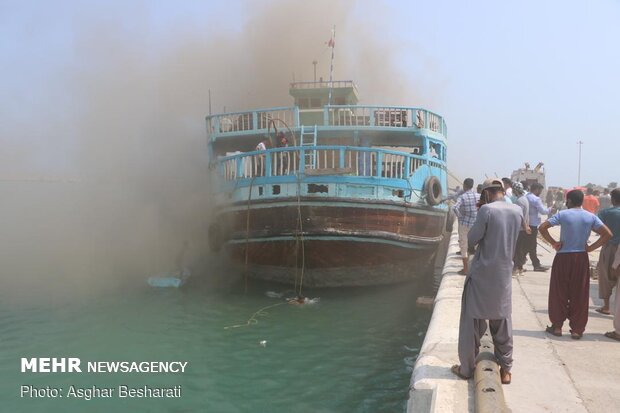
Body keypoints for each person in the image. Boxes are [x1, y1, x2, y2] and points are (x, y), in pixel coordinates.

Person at [451, 179, 523, 384]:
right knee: (502, 321)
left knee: (471, 320)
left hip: (483, 274)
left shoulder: (487, 210)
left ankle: (466, 368)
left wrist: (482, 212)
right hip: (503, 274)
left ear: (487, 194)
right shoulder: (517, 210)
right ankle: (506, 370)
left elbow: (473, 238)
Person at [539, 190, 612, 339]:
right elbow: (607, 234)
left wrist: (554, 243)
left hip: (563, 256)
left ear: (569, 201)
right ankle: (577, 329)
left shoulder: (563, 214)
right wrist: (591, 248)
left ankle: (557, 327)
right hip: (581, 257)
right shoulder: (590, 216)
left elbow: (542, 228)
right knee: (579, 293)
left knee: (559, 292)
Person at [596, 188, 620, 316]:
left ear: (613, 199)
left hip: (609, 247)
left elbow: (596, 227)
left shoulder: (605, 212)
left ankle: (606, 307)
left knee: (605, 276)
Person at [452, 178, 479, 275]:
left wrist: (460, 216)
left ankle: (466, 269)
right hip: (476, 224)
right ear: (472, 186)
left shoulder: (462, 197)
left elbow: (454, 207)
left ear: (464, 185)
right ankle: (477, 268)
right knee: (477, 245)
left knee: (464, 246)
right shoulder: (479, 196)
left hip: (464, 224)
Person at [525, 183, 553, 271]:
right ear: (536, 189)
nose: (540, 192)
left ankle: (521, 263)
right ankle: (536, 265)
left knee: (525, 245)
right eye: (540, 190)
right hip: (532, 225)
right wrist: (550, 209)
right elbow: (543, 211)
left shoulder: (525, 196)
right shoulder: (536, 199)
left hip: (525, 223)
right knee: (532, 245)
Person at [512, 182, 531, 275]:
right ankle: (519, 267)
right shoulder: (525, 199)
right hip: (524, 228)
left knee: (517, 249)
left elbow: (520, 216)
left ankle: (516, 268)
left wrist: (525, 226)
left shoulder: (519, 201)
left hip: (520, 228)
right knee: (520, 249)